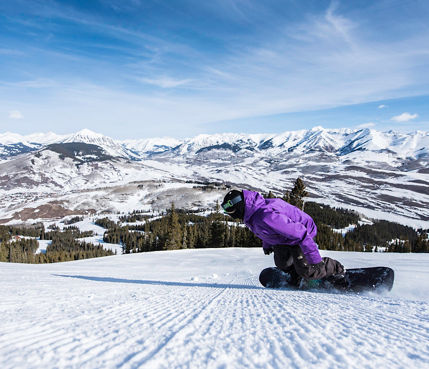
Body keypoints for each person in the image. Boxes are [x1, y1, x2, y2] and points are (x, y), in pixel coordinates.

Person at [221, 189, 345, 287]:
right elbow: (267, 231)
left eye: (229, 212)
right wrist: (267, 245)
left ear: (238, 207)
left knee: (308, 270)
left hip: (303, 233)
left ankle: (334, 268)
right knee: (283, 263)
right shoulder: (251, 213)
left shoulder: (265, 215)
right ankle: (297, 277)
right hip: (286, 237)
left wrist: (315, 259)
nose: (229, 214)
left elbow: (300, 233)